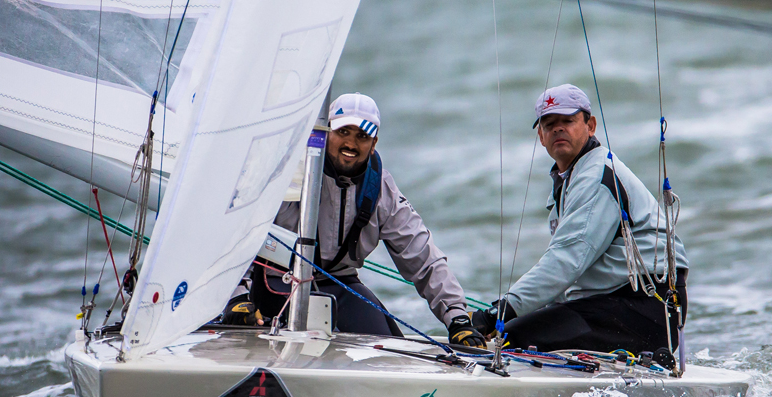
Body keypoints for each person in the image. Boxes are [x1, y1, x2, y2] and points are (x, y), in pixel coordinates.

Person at [224, 93, 486, 348]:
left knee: (392, 350)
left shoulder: (380, 188)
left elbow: (422, 255)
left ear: (374, 143)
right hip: (272, 285)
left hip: (337, 284)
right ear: (326, 132)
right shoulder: (287, 171)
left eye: (362, 136)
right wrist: (235, 296)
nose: (351, 143)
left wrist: (458, 319)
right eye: (343, 132)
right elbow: (237, 233)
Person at [473, 84, 688, 354]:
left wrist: (497, 313)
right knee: (516, 331)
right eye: (549, 123)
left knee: (514, 337)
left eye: (568, 120)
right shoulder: (570, 179)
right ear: (540, 135)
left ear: (591, 126)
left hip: (645, 306)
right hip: (609, 304)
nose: (558, 129)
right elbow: (568, 275)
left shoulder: (596, 176)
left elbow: (566, 262)